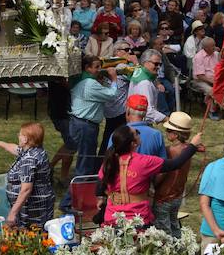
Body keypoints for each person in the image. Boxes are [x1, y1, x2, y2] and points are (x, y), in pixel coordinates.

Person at [98, 123, 201, 225]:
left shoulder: (109, 161)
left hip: (112, 218)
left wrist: (101, 198)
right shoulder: (144, 162)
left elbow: (100, 182)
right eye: (137, 133)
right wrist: (192, 145)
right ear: (134, 143)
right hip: (137, 219)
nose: (139, 133)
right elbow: (176, 164)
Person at [59, 56, 120, 212]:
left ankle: (82, 199)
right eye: (97, 67)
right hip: (85, 126)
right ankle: (67, 203)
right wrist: (113, 79)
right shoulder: (90, 84)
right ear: (87, 68)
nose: (100, 70)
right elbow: (112, 95)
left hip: (82, 124)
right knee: (84, 168)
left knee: (86, 165)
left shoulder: (83, 81)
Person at [0, 122, 55, 228]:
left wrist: (12, 213)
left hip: (32, 209)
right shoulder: (35, 151)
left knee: (32, 237)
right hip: (37, 204)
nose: (18, 136)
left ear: (25, 140)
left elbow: (26, 189)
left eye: (20, 134)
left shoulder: (29, 159)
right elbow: (15, 149)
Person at [152, 112, 195, 237]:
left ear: (175, 134)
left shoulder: (169, 151)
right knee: (174, 226)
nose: (166, 132)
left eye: (168, 130)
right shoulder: (188, 150)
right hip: (177, 196)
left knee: (163, 233)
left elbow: (162, 174)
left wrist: (153, 185)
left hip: (163, 197)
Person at [126, 50, 167, 125]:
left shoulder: (138, 73)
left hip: (133, 121)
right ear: (145, 62)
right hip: (141, 123)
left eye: (160, 64)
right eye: (156, 64)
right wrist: (166, 119)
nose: (158, 67)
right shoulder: (145, 83)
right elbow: (148, 111)